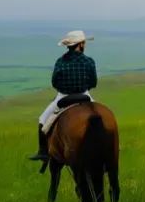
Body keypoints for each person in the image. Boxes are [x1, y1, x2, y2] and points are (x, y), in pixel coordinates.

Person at [29, 30, 98, 162]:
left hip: (63, 97)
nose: (85, 45)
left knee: (42, 120)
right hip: (85, 95)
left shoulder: (60, 62)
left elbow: (54, 82)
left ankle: (43, 152)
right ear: (80, 44)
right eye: (84, 43)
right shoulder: (89, 61)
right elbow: (93, 82)